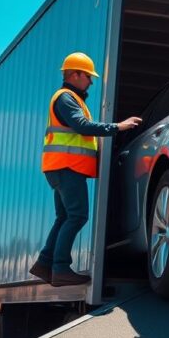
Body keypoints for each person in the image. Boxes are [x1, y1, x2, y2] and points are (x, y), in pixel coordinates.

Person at [29, 52, 141, 286]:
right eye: (88, 76)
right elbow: (82, 126)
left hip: (60, 168)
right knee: (78, 216)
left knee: (64, 217)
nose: (91, 81)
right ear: (75, 74)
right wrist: (118, 127)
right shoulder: (66, 98)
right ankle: (60, 268)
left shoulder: (68, 98)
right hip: (67, 167)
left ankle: (44, 263)